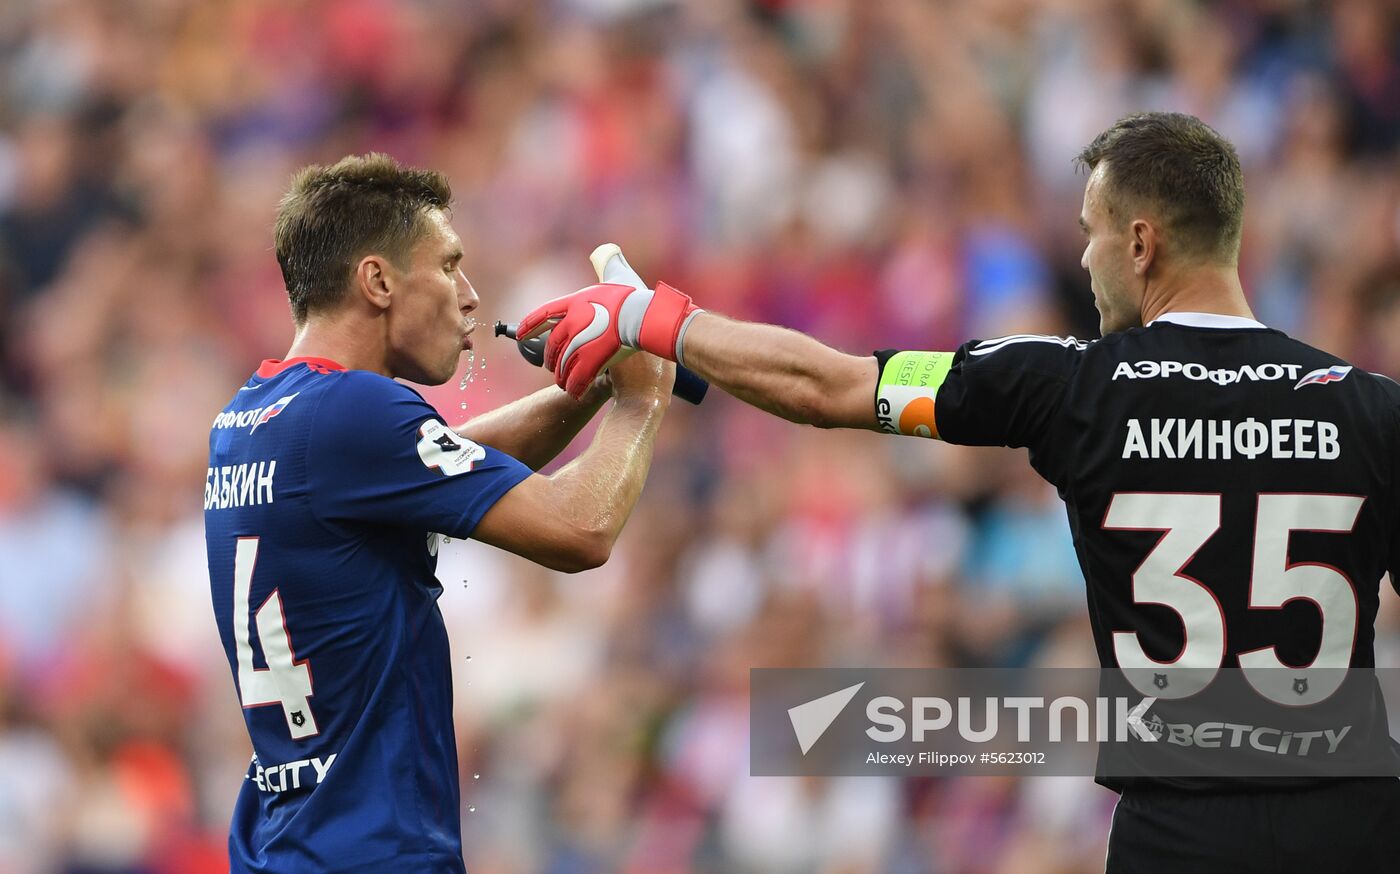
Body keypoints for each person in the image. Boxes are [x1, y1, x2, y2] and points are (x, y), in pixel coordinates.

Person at [519, 112, 1400, 873]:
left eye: (1091, 231)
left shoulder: (1072, 387)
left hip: (1181, 827)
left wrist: (652, 320)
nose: (1086, 258)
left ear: (1140, 242)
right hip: (1356, 823)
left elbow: (829, 387)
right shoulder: (1370, 408)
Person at [203, 153, 674, 873]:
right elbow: (581, 529)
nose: (470, 294)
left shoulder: (252, 419)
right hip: (371, 853)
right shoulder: (356, 412)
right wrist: (644, 394)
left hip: (287, 846)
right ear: (379, 280)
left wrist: (592, 386)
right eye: (449, 265)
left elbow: (449, 459)